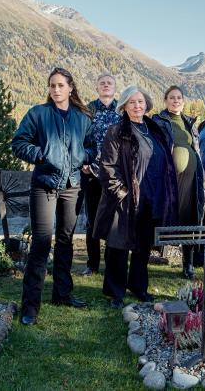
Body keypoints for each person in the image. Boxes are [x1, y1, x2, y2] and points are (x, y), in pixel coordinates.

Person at [12, 67, 95, 325]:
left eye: (60, 85)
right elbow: (19, 143)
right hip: (44, 185)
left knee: (66, 241)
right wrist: (40, 154)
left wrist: (84, 157)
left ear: (71, 88)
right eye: (52, 85)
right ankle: (30, 307)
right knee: (41, 244)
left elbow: (91, 146)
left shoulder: (82, 118)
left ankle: (62, 294)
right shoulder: (38, 114)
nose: (56, 90)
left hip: (72, 186)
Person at [93, 86, 178, 308]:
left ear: (147, 104)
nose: (137, 106)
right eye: (132, 102)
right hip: (125, 199)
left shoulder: (155, 129)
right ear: (124, 106)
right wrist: (121, 193)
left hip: (151, 197)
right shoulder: (117, 130)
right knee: (118, 247)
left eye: (140, 102)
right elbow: (108, 167)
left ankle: (139, 286)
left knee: (142, 247)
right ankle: (115, 293)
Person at [153, 86, 205, 279]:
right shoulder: (158, 121)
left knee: (190, 218)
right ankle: (144, 260)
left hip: (192, 179)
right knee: (163, 217)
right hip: (169, 180)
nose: (175, 101)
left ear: (183, 101)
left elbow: (195, 148)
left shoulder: (189, 122)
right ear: (165, 101)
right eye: (172, 98)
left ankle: (188, 265)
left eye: (179, 98)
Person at [81, 73, 121, 276]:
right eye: (102, 83)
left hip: (115, 175)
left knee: (114, 219)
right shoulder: (88, 110)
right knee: (92, 220)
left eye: (109, 83)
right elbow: (80, 138)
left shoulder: (122, 111)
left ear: (115, 88)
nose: (106, 86)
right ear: (97, 88)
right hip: (92, 173)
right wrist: (83, 162)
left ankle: (111, 262)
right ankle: (92, 264)